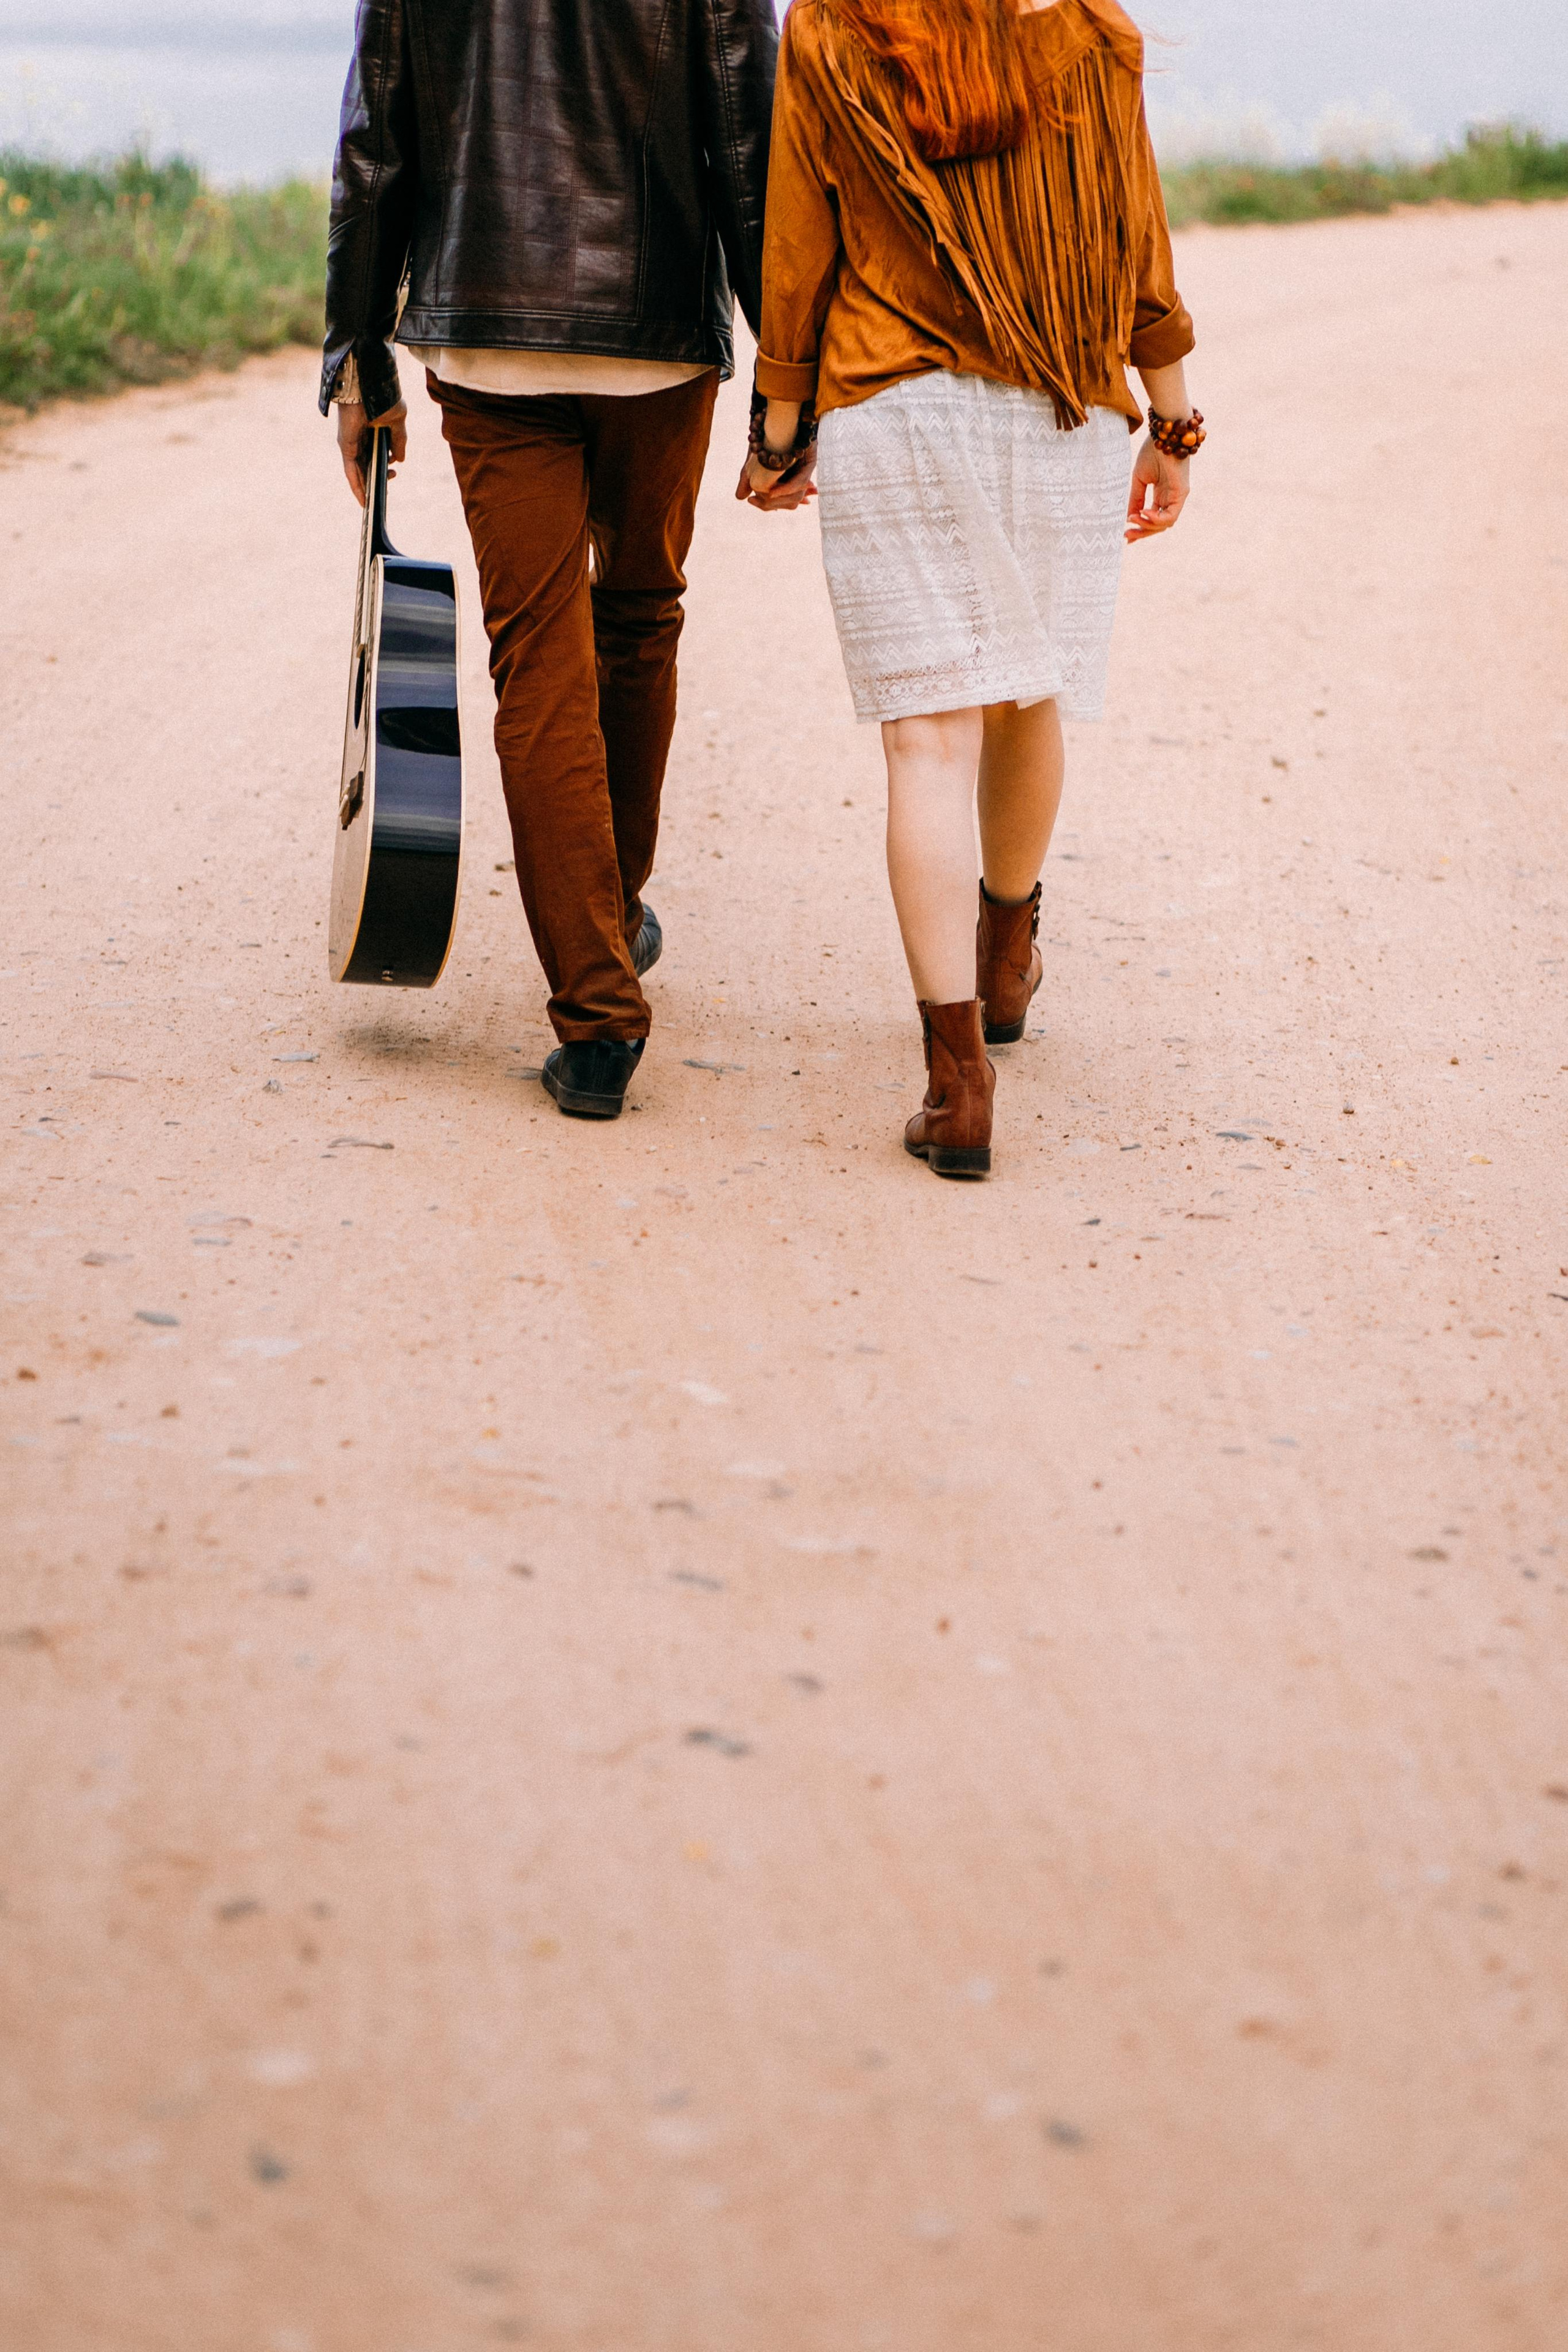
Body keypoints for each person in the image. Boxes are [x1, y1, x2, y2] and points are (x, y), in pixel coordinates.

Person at [740, 0, 1199, 1177]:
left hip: (894, 400)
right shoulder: (1091, 30)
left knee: (927, 741)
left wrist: (779, 427)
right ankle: (1008, 956)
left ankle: (957, 1088)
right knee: (1028, 688)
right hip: (1062, 405)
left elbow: (799, 248)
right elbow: (1136, 241)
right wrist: (1173, 425)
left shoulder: (834, 29)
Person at [323, 0, 783, 1120]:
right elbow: (748, 135)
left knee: (537, 656)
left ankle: (597, 1013)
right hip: (659, 331)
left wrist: (357, 351)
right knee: (639, 614)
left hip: (487, 327)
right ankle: (610, 915)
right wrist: (791, 367)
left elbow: (376, 138)